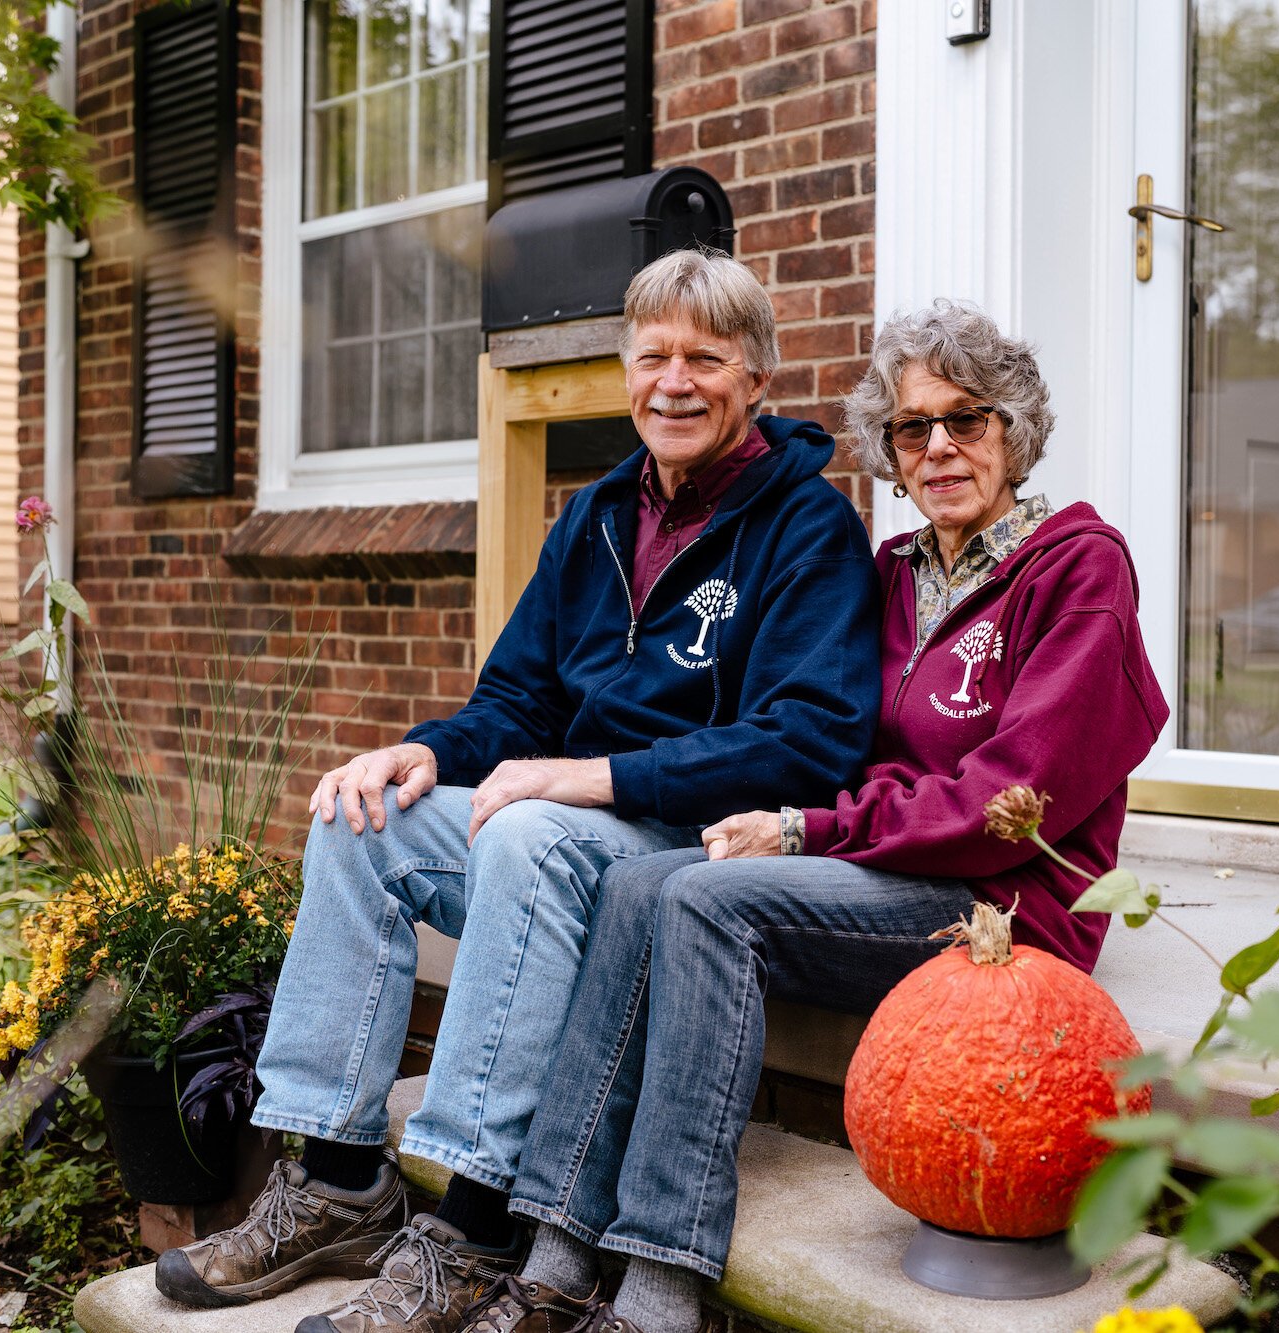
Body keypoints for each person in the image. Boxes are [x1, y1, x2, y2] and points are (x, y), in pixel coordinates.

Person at [153, 249, 883, 1331]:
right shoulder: (595, 515)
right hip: (570, 820)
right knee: (366, 822)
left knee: (531, 832)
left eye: (704, 359)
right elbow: (517, 700)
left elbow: (808, 743)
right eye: (651, 357)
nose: (672, 382)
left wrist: (596, 776)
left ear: (756, 380)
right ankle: (339, 1179)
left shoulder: (807, 528)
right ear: (624, 370)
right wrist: (427, 752)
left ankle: (478, 1218)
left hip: (685, 841)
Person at [477, 299, 1170, 1333]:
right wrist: (800, 817)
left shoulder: (1079, 569)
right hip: (883, 877)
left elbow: (1003, 803)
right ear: (887, 451)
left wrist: (808, 829)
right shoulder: (893, 576)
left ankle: (662, 1280)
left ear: (1013, 429)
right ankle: (557, 1249)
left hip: (1003, 909)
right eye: (908, 428)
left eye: (964, 419)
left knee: (713, 908)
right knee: (635, 882)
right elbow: (838, 747)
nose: (937, 447)